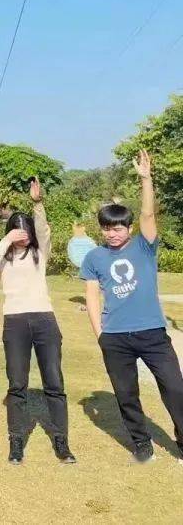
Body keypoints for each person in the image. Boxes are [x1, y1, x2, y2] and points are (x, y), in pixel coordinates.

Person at [80, 150, 183, 463]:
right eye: (107, 228)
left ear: (128, 227)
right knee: (126, 396)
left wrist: (146, 180)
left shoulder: (144, 246)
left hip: (152, 333)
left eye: (119, 227)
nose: (113, 233)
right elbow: (92, 296)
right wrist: (101, 334)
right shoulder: (94, 258)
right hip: (116, 337)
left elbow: (149, 216)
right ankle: (141, 443)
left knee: (176, 390)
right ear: (102, 229)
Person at [0, 177, 75, 465]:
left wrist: (37, 204)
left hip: (44, 319)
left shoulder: (39, 253)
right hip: (15, 321)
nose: (22, 235)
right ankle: (16, 441)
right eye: (17, 230)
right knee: (17, 384)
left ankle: (62, 441)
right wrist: (6, 240)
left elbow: (44, 231)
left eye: (26, 230)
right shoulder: (3, 256)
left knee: (54, 382)